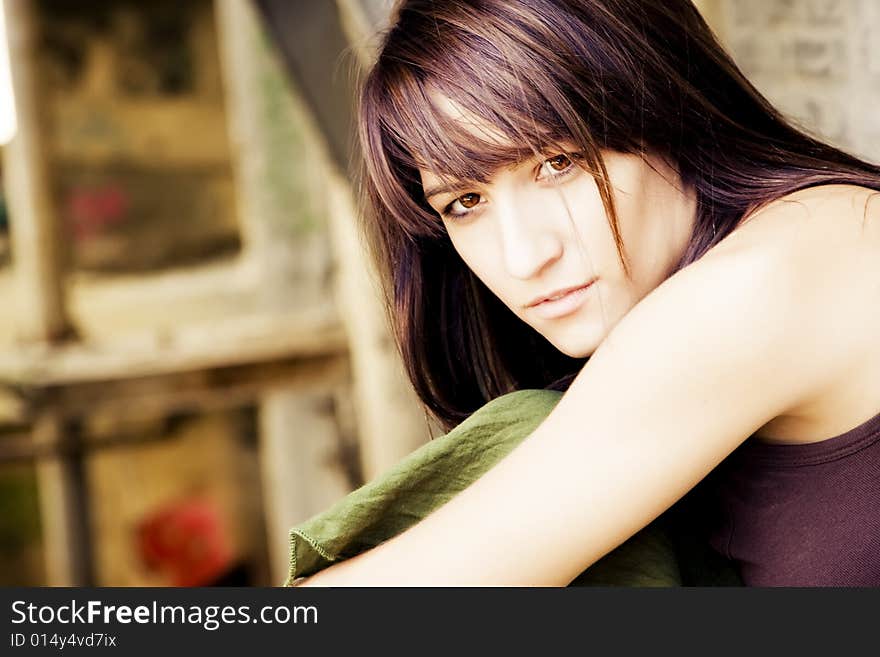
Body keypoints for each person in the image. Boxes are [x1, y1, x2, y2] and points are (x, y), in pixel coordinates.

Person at [300, 0, 880, 586]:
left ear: (663, 105)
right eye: (465, 203)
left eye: (559, 163)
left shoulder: (757, 285)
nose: (525, 257)